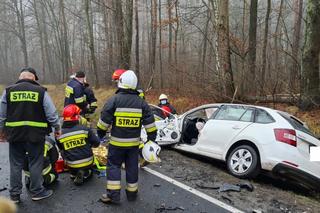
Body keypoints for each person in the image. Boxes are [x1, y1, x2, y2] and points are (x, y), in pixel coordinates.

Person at [0, 67, 60, 203]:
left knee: (15, 164)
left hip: (15, 135)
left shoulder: (8, 91)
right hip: (36, 135)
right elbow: (51, 114)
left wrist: (1, 131)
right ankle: (37, 191)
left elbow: (1, 114)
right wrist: (57, 128)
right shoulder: (40, 91)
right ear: (33, 78)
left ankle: (14, 195)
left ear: (20, 77)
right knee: (35, 162)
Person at [97, 70, 157, 204]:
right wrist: (151, 140)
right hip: (133, 145)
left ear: (121, 83)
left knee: (113, 166)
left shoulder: (114, 100)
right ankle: (132, 193)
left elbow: (103, 122)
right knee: (132, 167)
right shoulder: (142, 103)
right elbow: (151, 126)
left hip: (116, 145)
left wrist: (100, 135)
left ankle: (113, 196)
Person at [57, 104, 100, 185]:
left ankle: (73, 173)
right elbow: (97, 143)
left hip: (71, 164)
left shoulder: (59, 134)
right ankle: (86, 173)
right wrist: (89, 145)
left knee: (63, 150)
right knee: (89, 170)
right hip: (87, 161)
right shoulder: (84, 129)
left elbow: (61, 149)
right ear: (76, 117)